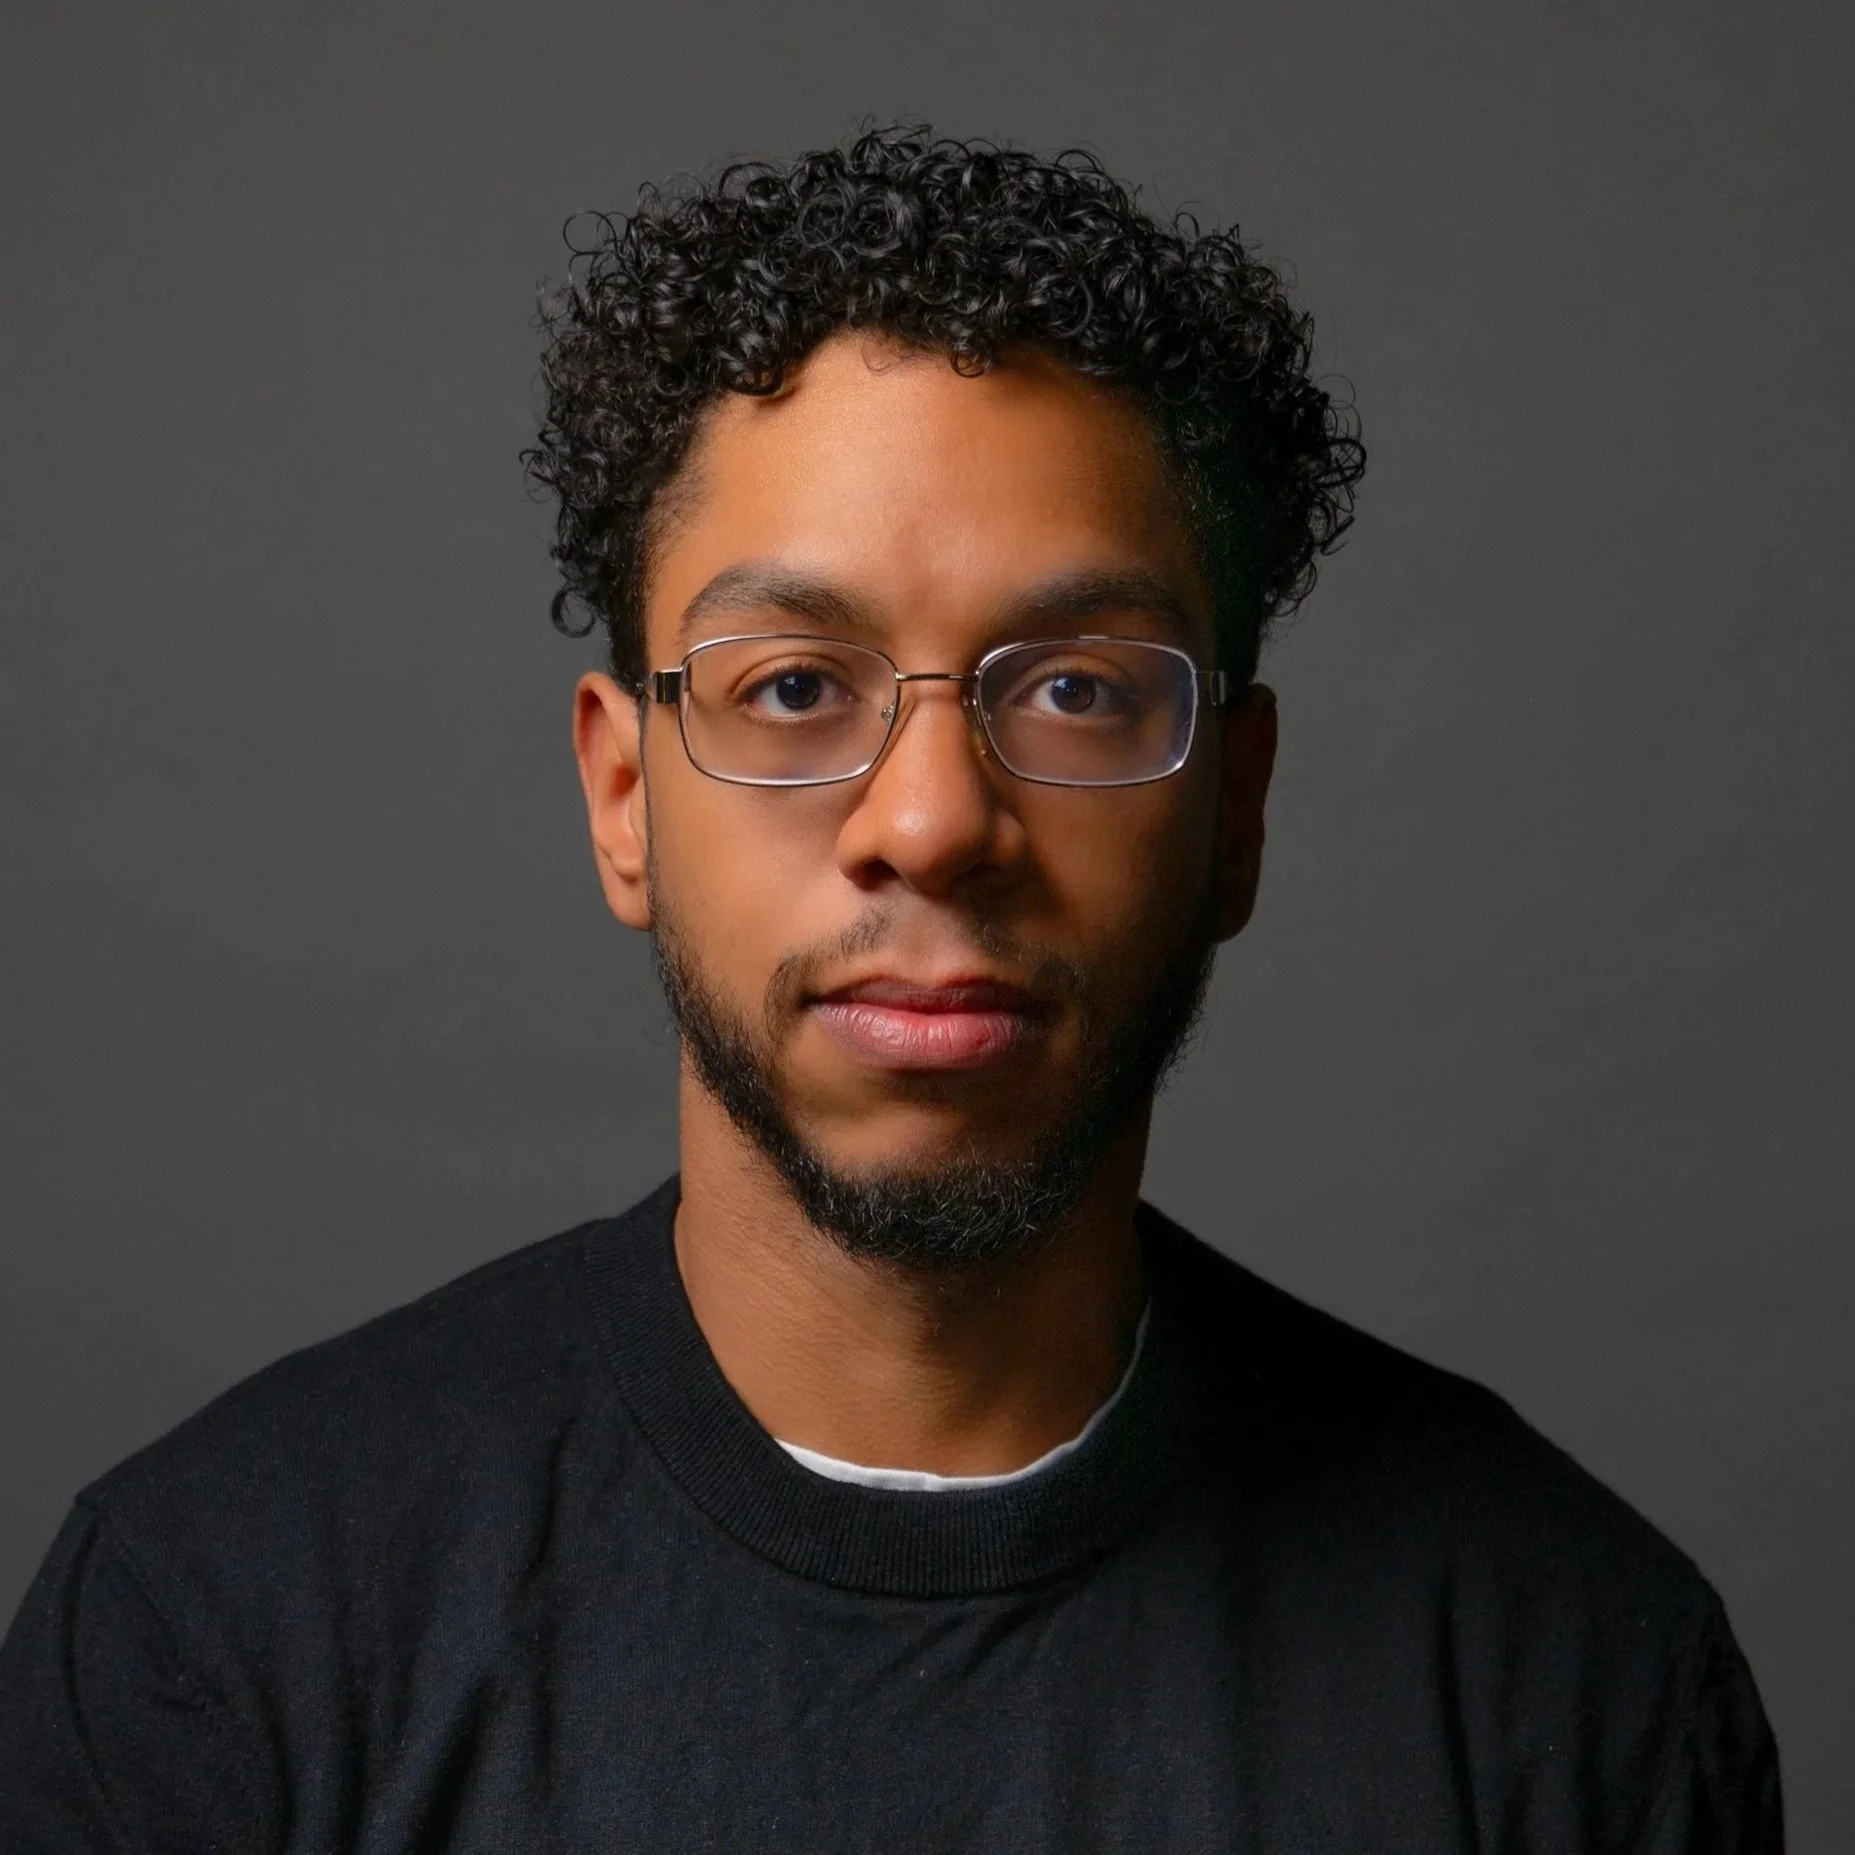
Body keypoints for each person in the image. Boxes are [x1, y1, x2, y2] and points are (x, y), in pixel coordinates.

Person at [0, 125, 1781, 1852]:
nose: (931, 824)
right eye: (792, 688)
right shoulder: (215, 1635)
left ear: (1232, 809)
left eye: (1078, 689)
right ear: (625, 798)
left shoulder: (1572, 1674)